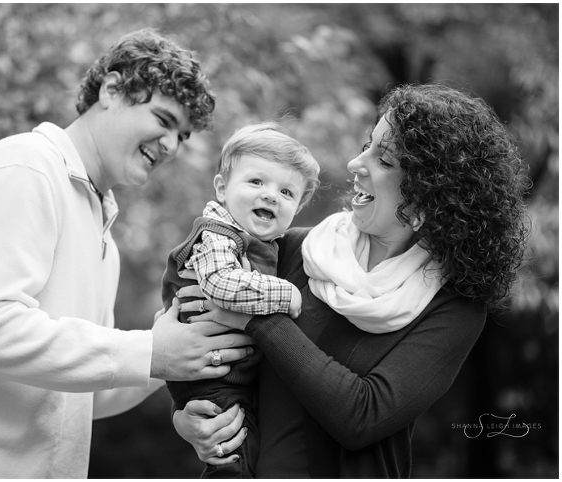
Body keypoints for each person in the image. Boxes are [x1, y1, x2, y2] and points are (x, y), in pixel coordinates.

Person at [0, 29, 257, 479]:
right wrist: (151, 351)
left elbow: (82, 392)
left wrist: (177, 355)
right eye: (163, 120)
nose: (171, 146)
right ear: (112, 89)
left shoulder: (103, 235)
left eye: (181, 136)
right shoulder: (27, 168)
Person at [171, 83, 530, 477]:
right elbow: (191, 329)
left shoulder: (453, 307)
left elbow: (363, 416)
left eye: (384, 159)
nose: (356, 164)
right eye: (366, 146)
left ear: (430, 194)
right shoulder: (293, 249)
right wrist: (186, 417)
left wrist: (257, 317)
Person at [161, 122, 320, 478]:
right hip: (209, 374)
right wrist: (286, 294)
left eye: (287, 192)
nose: (270, 196)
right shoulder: (217, 236)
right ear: (222, 188)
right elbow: (219, 284)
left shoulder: (264, 243)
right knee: (234, 454)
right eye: (256, 182)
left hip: (225, 372)